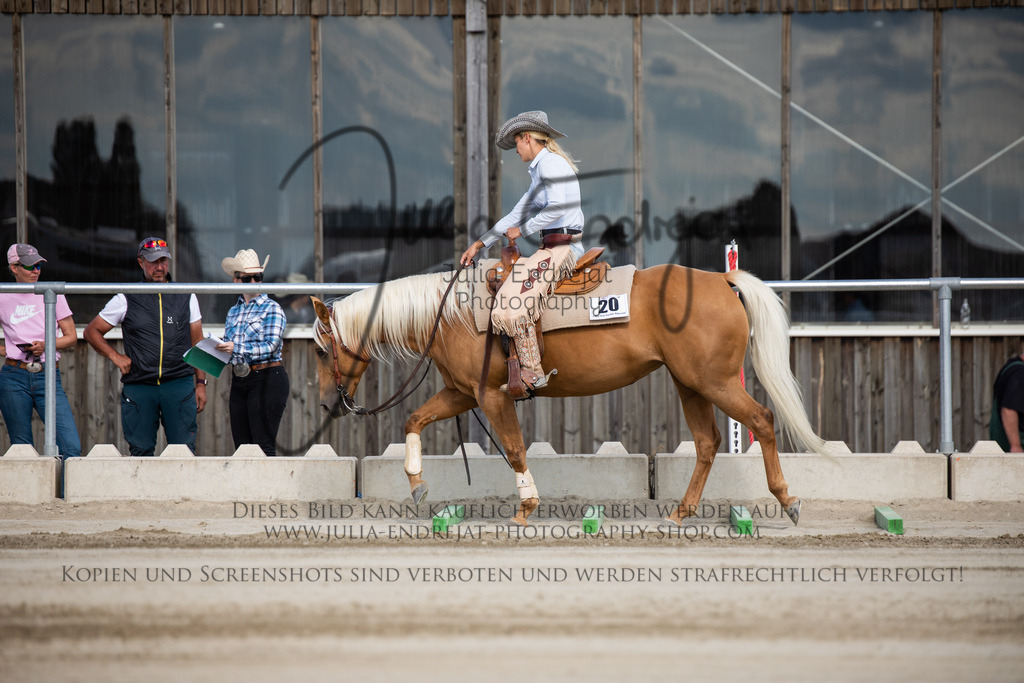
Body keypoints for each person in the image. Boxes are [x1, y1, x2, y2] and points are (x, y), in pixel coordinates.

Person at [459, 110, 584, 393]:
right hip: (552, 246)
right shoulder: (541, 171)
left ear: (527, 138)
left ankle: (533, 371)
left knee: (515, 300)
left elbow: (557, 208)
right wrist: (480, 244)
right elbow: (514, 216)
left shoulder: (550, 164)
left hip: (563, 248)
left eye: (516, 141)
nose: (515, 149)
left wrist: (523, 231)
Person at [83, 237, 207, 457]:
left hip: (179, 383)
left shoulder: (186, 294)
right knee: (141, 451)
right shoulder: (126, 296)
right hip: (139, 385)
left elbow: (197, 341)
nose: (159, 267)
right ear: (141, 262)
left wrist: (200, 383)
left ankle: (183, 493)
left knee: (184, 453)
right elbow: (91, 331)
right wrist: (116, 357)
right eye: (153, 261)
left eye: (163, 260)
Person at [0, 244, 82, 457]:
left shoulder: (52, 292)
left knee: (70, 446)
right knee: (22, 450)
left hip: (48, 373)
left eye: (38, 265)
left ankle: (63, 491)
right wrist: (9, 350)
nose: (36, 270)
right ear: (14, 267)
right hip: (13, 375)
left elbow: (72, 337)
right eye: (30, 266)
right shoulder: (3, 295)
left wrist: (46, 344)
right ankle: (33, 492)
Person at [216, 249, 289, 457]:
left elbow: (271, 346)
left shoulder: (272, 308)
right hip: (240, 379)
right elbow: (232, 346)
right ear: (236, 281)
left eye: (258, 277)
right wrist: (217, 348)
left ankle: (267, 490)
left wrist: (234, 348)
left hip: (267, 377)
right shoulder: (233, 311)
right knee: (242, 449)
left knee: (263, 446)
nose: (255, 282)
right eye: (249, 278)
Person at [990, 351, 1024, 453]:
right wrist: (1016, 446)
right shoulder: (1018, 373)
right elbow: (1008, 410)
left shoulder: (1011, 368)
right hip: (1013, 451)